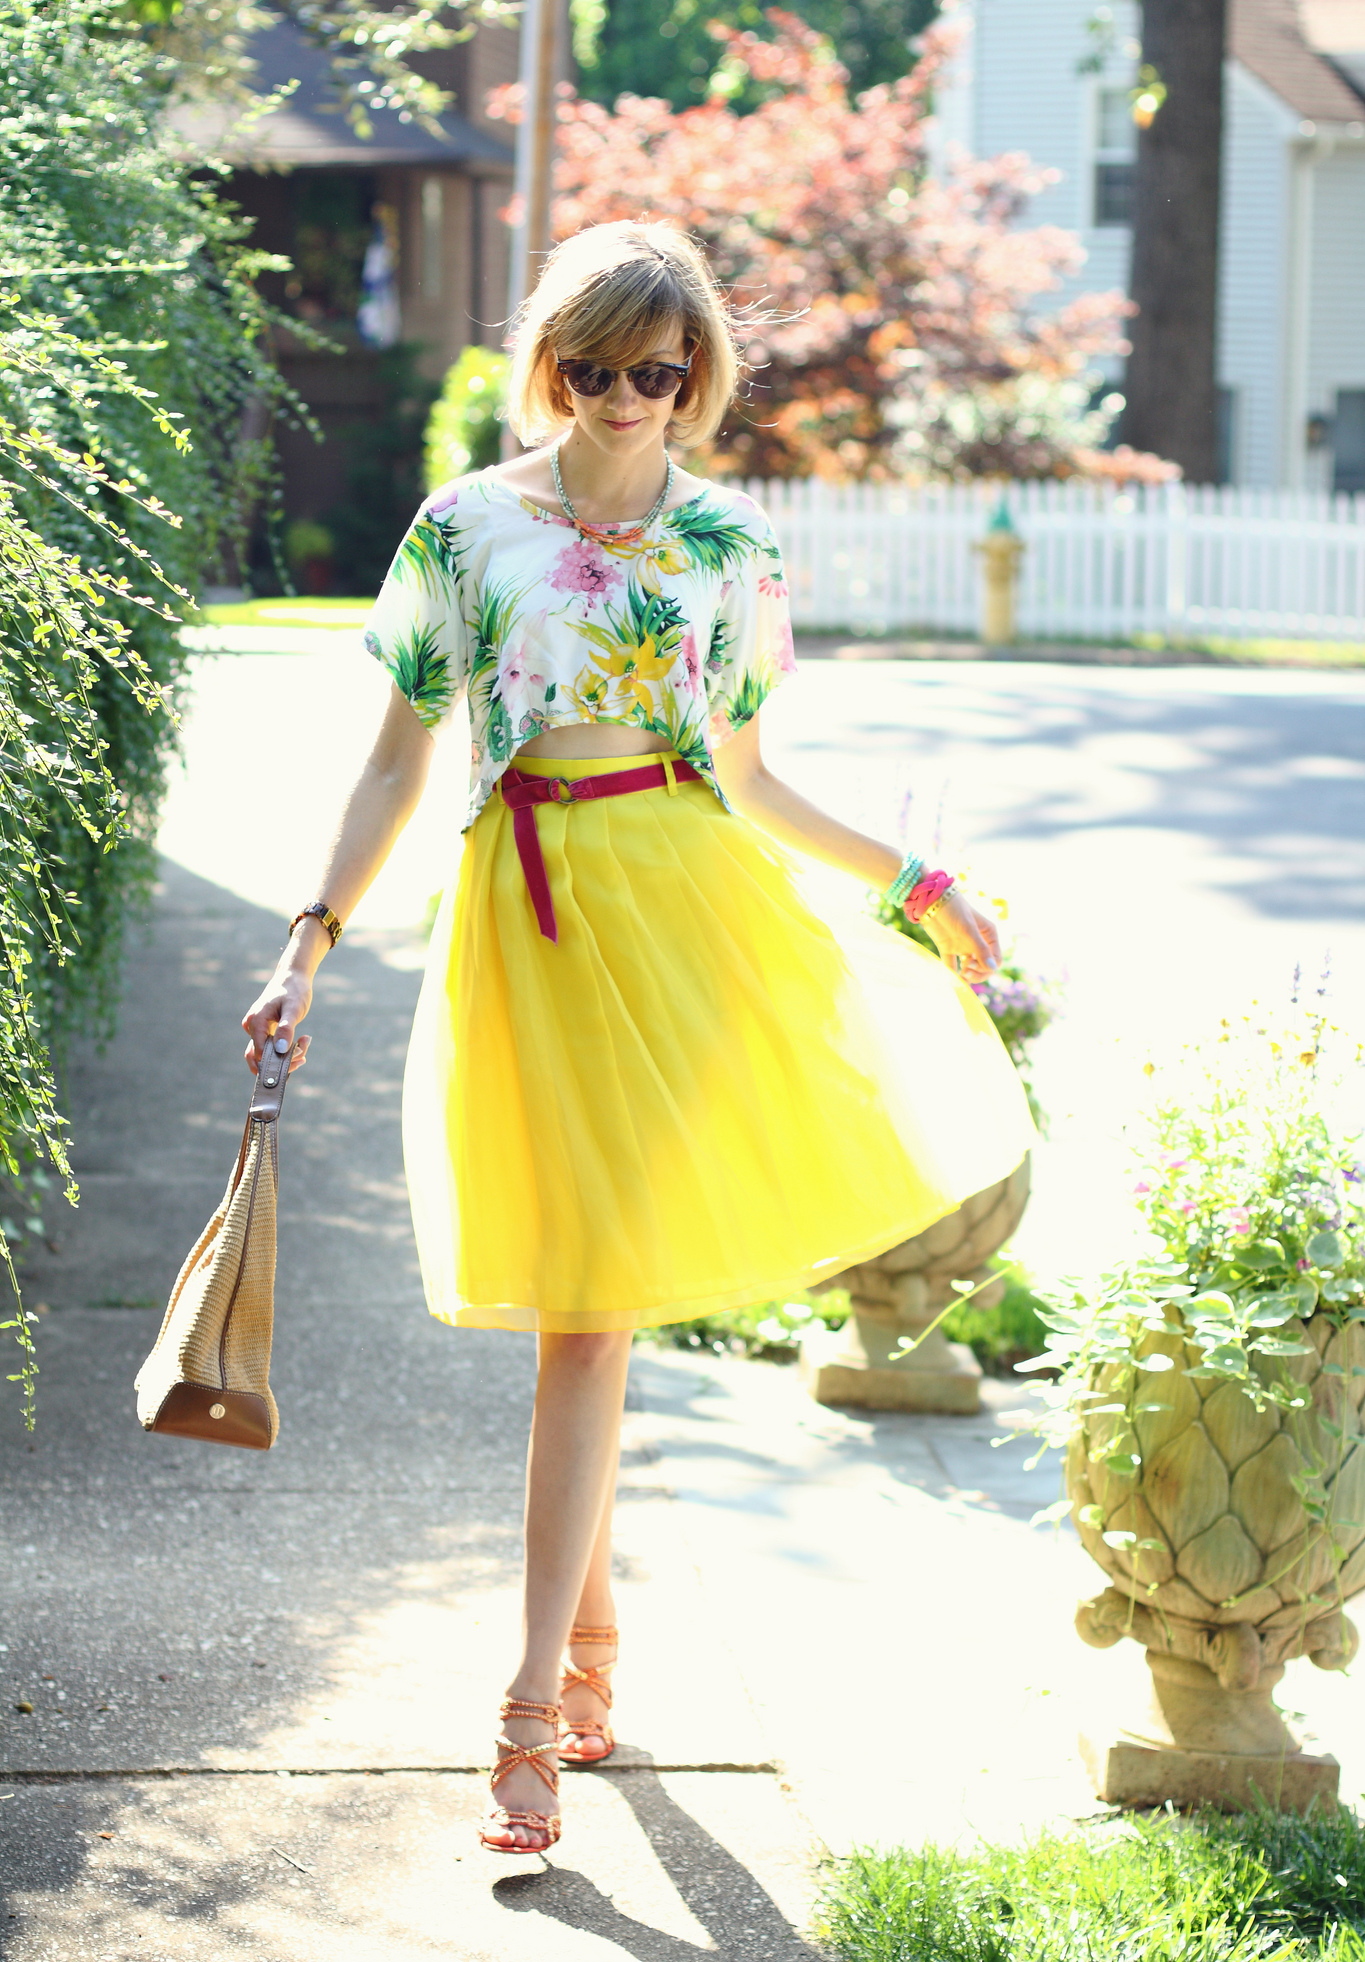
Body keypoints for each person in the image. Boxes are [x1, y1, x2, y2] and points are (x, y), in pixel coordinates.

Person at [242, 219, 1034, 1857]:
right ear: (550, 363)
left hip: (683, 920)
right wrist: (306, 939)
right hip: (523, 928)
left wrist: (917, 879)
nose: (617, 398)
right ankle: (592, 1653)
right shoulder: (463, 529)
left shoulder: (729, 547)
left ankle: (526, 1712)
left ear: (696, 381)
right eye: (588, 368)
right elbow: (396, 758)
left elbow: (747, 781)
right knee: (570, 1299)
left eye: (653, 373)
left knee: (589, 1318)